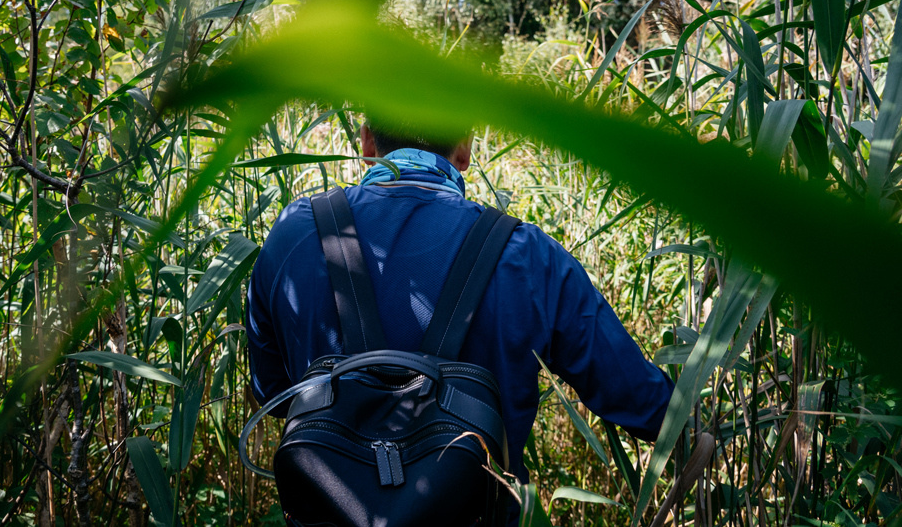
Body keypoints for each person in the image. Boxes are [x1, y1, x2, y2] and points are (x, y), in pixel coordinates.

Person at [246, 120, 674, 522]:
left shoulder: (294, 236)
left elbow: (276, 397)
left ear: (367, 143)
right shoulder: (529, 256)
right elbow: (648, 408)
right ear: (465, 149)